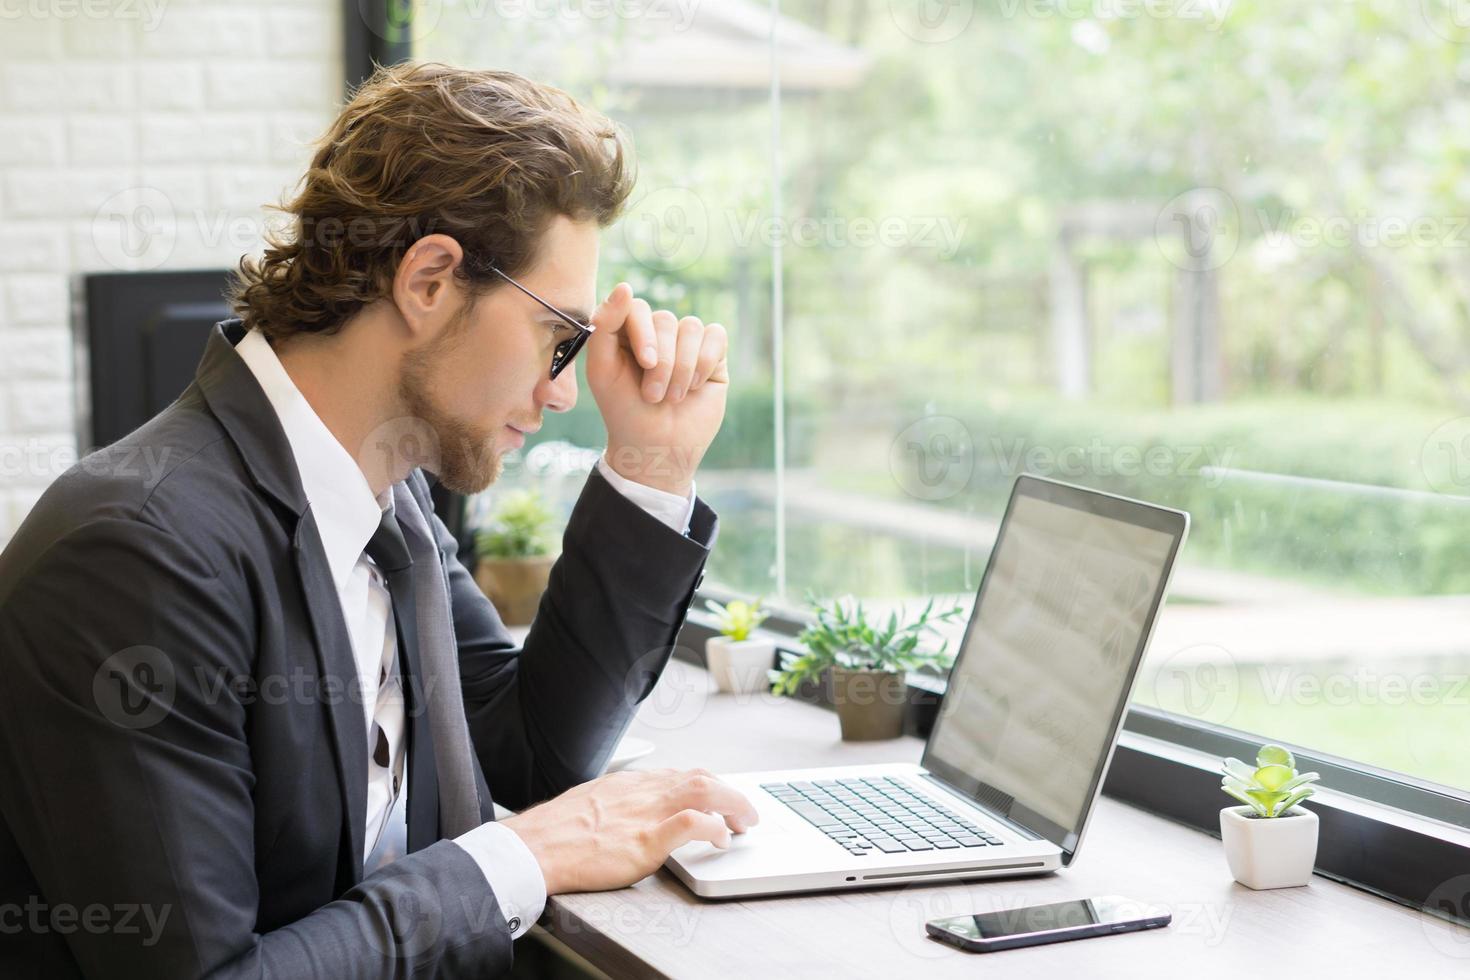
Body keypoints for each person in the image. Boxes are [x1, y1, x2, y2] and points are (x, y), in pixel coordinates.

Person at [0, 61, 759, 978]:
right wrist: (519, 857)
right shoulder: (136, 553)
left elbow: (532, 749)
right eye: (558, 336)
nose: (565, 392)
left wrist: (653, 463)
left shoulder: (384, 497)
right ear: (430, 280)